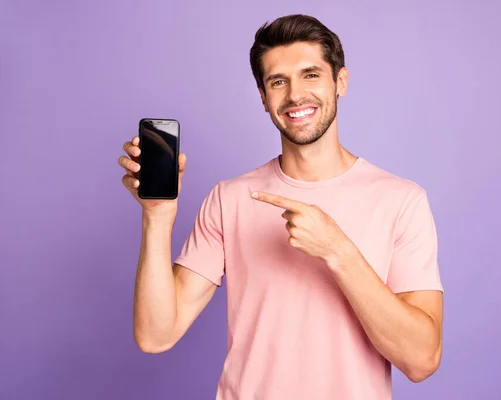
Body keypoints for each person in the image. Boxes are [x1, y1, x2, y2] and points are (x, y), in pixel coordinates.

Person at [118, 14, 443, 400]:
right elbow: (156, 334)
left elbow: (422, 359)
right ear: (262, 97)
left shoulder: (401, 200)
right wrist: (157, 216)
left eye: (310, 75)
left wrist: (338, 251)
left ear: (340, 82)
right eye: (278, 81)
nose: (294, 95)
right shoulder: (229, 199)